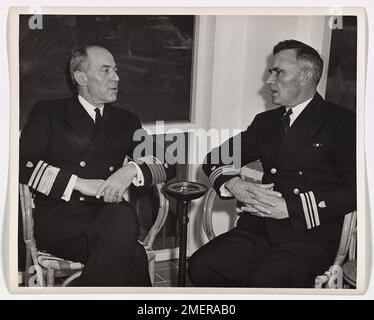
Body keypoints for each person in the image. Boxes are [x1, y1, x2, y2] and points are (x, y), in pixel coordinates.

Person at [188, 39, 356, 288]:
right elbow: (215, 158)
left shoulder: (341, 122)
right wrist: (235, 184)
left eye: (279, 72)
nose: (269, 80)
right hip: (258, 228)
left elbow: (356, 190)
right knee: (202, 264)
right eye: (271, 72)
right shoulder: (266, 122)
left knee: (270, 278)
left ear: (306, 76)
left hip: (310, 234)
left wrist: (290, 208)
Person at [19, 45, 176, 286]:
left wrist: (131, 170)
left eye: (116, 70)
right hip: (63, 221)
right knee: (131, 251)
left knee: (122, 220)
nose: (116, 77)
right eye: (106, 71)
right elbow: (23, 164)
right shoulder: (49, 112)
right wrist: (81, 184)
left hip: (109, 217)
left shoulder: (126, 120)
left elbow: (167, 162)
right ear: (81, 77)